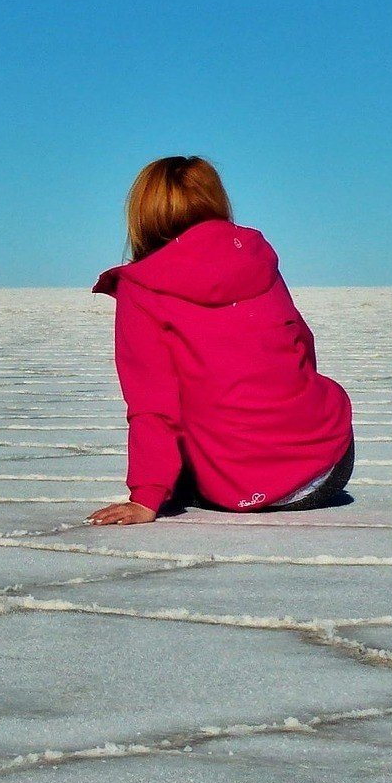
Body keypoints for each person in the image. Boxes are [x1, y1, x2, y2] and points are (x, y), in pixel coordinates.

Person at [88, 156, 353, 526]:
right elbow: (300, 346)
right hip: (328, 465)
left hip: (240, 485)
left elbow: (152, 402)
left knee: (192, 445)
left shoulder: (142, 286)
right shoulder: (255, 257)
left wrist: (147, 497)